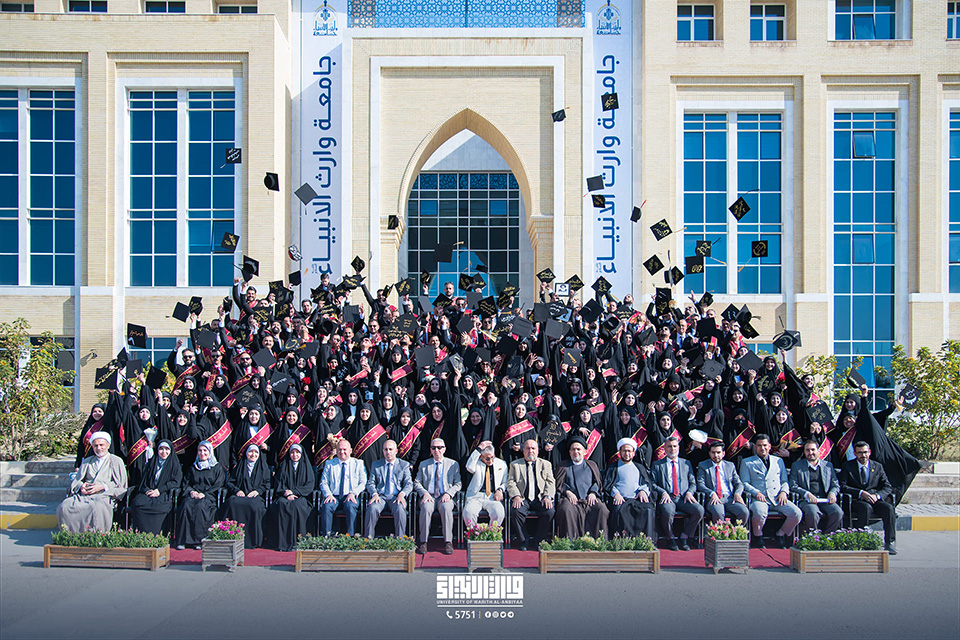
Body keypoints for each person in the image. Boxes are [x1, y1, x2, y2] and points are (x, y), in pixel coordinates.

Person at [57, 432, 127, 533]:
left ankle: (96, 535)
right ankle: (71, 535)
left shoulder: (116, 461)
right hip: (84, 495)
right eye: (95, 445)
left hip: (104, 495)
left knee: (96, 507)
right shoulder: (87, 461)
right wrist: (81, 486)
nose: (99, 448)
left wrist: (103, 486)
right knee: (64, 506)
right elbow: (77, 481)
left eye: (101, 445)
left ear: (108, 445)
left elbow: (121, 485)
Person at [739, 434, 801, 548]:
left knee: (796, 513)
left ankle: (780, 534)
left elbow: (784, 481)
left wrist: (784, 492)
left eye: (765, 445)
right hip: (759, 498)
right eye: (759, 445)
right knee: (759, 513)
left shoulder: (778, 461)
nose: (762, 448)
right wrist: (756, 493)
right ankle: (757, 536)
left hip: (777, 497)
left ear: (769, 446)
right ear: (755, 447)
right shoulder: (747, 462)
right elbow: (744, 483)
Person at [839, 441, 898, 554]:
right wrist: (860, 493)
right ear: (855, 453)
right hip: (857, 500)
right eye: (860, 453)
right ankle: (861, 540)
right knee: (866, 508)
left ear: (869, 452)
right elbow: (843, 486)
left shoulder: (877, 466)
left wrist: (878, 496)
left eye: (865, 452)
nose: (863, 455)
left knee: (889, 509)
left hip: (874, 499)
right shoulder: (848, 466)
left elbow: (887, 486)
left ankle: (889, 542)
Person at [651, 436, 703, 550]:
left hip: (683, 497)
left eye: (675, 446)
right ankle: (670, 538)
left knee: (699, 510)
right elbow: (652, 483)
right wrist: (663, 492)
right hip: (667, 497)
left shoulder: (686, 463)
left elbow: (693, 483)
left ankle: (685, 536)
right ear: (665, 448)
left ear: (678, 448)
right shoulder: (657, 464)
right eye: (669, 446)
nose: (672, 449)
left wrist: (690, 492)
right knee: (667, 511)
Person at [553, 437, 609, 539]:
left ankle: (599, 541)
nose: (576, 452)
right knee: (565, 509)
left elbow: (597, 482)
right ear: (569, 452)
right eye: (573, 449)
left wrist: (593, 493)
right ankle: (569, 541)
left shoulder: (592, 465)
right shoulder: (563, 466)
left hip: (589, 499)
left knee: (602, 509)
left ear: (584, 452)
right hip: (570, 500)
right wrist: (567, 492)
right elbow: (558, 483)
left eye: (578, 449)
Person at [413, 438, 461, 555]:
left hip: (445, 496)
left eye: (439, 448)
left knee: (446, 508)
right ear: (430, 450)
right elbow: (416, 482)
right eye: (434, 448)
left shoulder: (453, 464)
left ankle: (448, 542)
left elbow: (458, 483)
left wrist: (449, 493)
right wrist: (424, 493)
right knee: (426, 508)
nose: (436, 450)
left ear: (444, 449)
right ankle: (423, 542)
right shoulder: (424, 464)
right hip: (429, 496)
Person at [506, 439, 556, 550]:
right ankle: (524, 540)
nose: (530, 451)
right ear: (523, 450)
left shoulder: (546, 464)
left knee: (549, 511)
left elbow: (550, 482)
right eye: (528, 448)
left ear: (537, 450)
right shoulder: (515, 465)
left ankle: (539, 540)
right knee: (516, 511)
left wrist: (547, 496)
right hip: (523, 498)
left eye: (533, 448)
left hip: (540, 498)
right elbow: (511, 482)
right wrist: (516, 496)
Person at [175, 441, 226, 549]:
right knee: (185, 505)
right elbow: (186, 484)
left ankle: (199, 541)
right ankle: (183, 540)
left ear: (210, 452)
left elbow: (218, 485)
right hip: (193, 495)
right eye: (200, 450)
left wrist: (204, 494)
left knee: (200, 507)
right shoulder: (193, 468)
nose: (202, 453)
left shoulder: (217, 468)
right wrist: (191, 492)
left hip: (208, 496)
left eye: (205, 450)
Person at [603, 438, 656, 540]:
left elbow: (647, 483)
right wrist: (616, 494)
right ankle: (621, 541)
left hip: (637, 500)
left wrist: (643, 491)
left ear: (633, 453)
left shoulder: (639, 467)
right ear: (619, 452)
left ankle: (646, 541)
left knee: (648, 509)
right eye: (624, 451)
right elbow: (608, 484)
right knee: (618, 511)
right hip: (620, 500)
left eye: (629, 451)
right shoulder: (613, 467)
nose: (627, 453)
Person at [266, 443, 316, 552]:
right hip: (285, 496)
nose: (295, 455)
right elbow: (279, 484)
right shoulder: (284, 466)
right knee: (281, 505)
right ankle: (283, 542)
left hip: (301, 497)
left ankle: (299, 541)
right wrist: (286, 493)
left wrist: (294, 492)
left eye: (297, 453)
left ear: (301, 454)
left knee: (298, 506)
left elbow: (309, 485)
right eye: (292, 452)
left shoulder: (306, 467)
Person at [219, 444, 269, 548]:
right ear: (246, 453)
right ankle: (230, 536)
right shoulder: (240, 466)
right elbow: (230, 483)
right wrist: (237, 491)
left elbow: (267, 484)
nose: (253, 455)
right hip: (240, 495)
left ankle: (253, 540)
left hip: (255, 497)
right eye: (250, 452)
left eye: (256, 452)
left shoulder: (264, 468)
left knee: (254, 506)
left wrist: (257, 491)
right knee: (231, 503)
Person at [129, 439, 182, 535]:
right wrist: (147, 490)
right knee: (138, 503)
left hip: (163, 493)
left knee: (159, 507)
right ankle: (140, 535)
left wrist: (159, 490)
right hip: (149, 492)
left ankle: (158, 536)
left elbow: (176, 482)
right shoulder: (151, 462)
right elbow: (143, 481)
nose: (164, 452)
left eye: (167, 449)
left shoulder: (174, 464)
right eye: (161, 449)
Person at [790, 439, 843, 535]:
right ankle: (812, 538)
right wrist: (807, 494)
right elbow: (793, 486)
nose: (810, 453)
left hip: (825, 499)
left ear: (818, 451)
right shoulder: (797, 466)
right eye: (807, 450)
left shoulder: (828, 465)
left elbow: (835, 484)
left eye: (813, 450)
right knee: (813, 513)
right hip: (807, 500)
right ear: (804, 452)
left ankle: (827, 537)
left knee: (838, 512)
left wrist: (832, 493)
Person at [364, 440, 413, 538]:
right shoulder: (376, 464)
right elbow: (370, 483)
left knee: (400, 509)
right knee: (372, 508)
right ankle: (368, 539)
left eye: (391, 449)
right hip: (380, 497)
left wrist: (402, 494)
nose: (388, 452)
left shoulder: (404, 465)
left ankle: (400, 540)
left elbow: (409, 484)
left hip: (396, 497)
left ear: (396, 451)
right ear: (383, 451)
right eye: (386, 449)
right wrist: (374, 494)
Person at [319, 438, 367, 535]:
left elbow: (363, 482)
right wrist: (328, 494)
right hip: (333, 496)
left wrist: (353, 493)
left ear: (350, 450)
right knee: (327, 507)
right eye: (339, 450)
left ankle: (351, 536)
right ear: (336, 451)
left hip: (350, 495)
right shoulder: (329, 464)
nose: (342, 452)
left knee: (350, 506)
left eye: (344, 449)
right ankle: (326, 537)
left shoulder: (358, 463)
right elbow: (323, 482)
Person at [696, 441, 750, 527]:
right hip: (713, 498)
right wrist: (711, 493)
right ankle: (720, 534)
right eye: (713, 452)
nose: (716, 455)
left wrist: (737, 493)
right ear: (709, 453)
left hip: (729, 498)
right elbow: (700, 484)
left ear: (723, 453)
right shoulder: (703, 465)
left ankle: (734, 533)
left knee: (744, 512)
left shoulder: (730, 465)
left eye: (718, 452)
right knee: (719, 512)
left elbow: (739, 483)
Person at [463, 440, 507, 528]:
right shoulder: (475, 462)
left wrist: (500, 489)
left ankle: (492, 533)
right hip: (475, 496)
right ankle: (473, 534)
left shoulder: (501, 464)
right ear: (481, 456)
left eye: (492, 457)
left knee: (499, 513)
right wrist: (479, 449)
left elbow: (505, 482)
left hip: (492, 496)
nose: (490, 461)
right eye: (487, 458)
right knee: (468, 513)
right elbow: (469, 467)